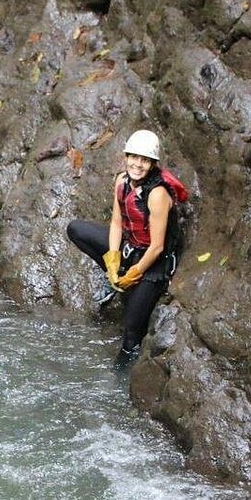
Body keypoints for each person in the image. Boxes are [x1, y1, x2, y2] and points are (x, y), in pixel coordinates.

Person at [66, 130, 186, 371]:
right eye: (134, 158)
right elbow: (116, 223)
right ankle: (117, 278)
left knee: (132, 336)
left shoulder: (157, 195)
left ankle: (117, 376)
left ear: (152, 163)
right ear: (126, 157)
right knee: (76, 229)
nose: (138, 165)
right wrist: (112, 257)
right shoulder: (122, 182)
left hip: (154, 261)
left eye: (144, 160)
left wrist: (135, 272)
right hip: (131, 247)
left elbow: (158, 246)